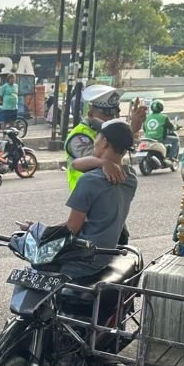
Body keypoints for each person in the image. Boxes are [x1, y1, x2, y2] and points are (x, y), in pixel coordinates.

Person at [61, 119, 138, 279]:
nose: (94, 141)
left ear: (103, 142)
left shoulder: (89, 180)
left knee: (38, 266)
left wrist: (39, 231)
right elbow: (76, 164)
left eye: (97, 137)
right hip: (107, 254)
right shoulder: (131, 179)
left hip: (85, 258)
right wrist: (103, 162)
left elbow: (72, 228)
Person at [65, 85, 145, 191]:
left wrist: (131, 131)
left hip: (108, 193)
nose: (112, 118)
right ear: (90, 114)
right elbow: (99, 160)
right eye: (106, 114)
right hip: (86, 197)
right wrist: (129, 131)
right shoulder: (79, 135)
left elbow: (115, 154)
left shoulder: (108, 132)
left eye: (115, 113)